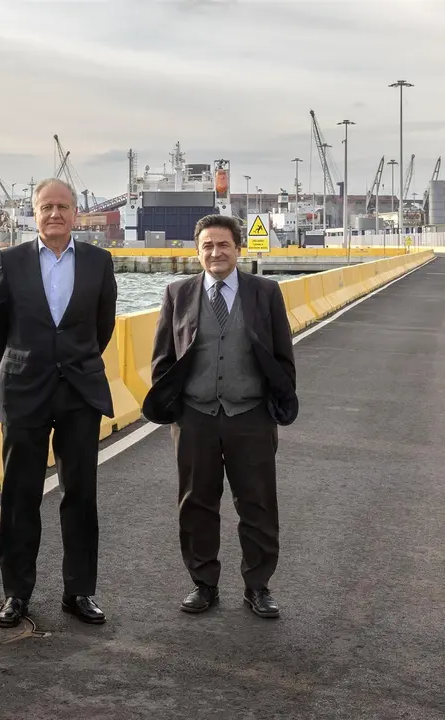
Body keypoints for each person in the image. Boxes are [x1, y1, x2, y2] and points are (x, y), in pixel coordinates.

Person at [142, 214, 297, 619]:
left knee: (258, 504)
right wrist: (174, 408)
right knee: (196, 504)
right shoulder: (177, 292)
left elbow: (283, 354)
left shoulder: (266, 292)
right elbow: (163, 358)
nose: (216, 252)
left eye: (223, 244)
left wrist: (279, 403)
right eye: (208, 245)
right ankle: (203, 583)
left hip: (251, 414)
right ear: (197, 251)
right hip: (195, 416)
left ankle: (258, 586)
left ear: (238, 249)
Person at [0, 177, 118, 628]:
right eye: (47, 207)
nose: (55, 214)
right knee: (20, 494)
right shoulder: (10, 261)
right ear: (34, 212)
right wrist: (19, 365)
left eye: (63, 206)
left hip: (79, 389)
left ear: (76, 214)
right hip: (24, 389)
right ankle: (15, 594)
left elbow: (103, 326)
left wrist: (72, 361)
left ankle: (79, 591)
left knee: (80, 493)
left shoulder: (100, 263)